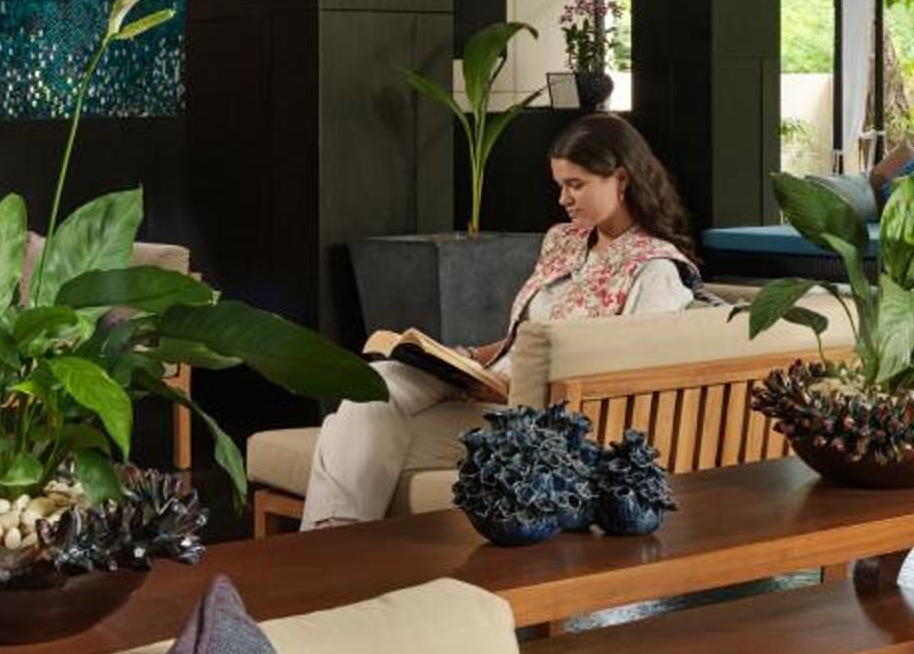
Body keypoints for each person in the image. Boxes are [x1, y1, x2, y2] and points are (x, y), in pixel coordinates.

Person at [301, 114, 704, 529]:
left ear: (621, 179)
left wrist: (516, 387)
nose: (563, 199)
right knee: (378, 383)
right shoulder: (563, 241)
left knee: (357, 432)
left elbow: (630, 376)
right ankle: (330, 544)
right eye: (560, 185)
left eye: (575, 185)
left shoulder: (655, 270)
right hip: (492, 388)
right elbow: (525, 334)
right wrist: (469, 358)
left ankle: (326, 546)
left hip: (544, 420)